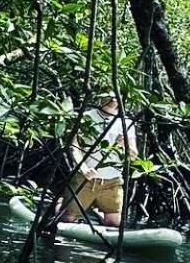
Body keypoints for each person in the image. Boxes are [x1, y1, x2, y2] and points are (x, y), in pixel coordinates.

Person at [58, 92, 137, 227]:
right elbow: (73, 146)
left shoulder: (127, 123)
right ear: (100, 97)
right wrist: (83, 168)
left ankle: (95, 209)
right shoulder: (85, 118)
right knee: (67, 219)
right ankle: (61, 204)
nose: (112, 99)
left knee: (113, 223)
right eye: (108, 96)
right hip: (84, 178)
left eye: (116, 96)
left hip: (113, 182)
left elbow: (133, 155)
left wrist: (126, 145)